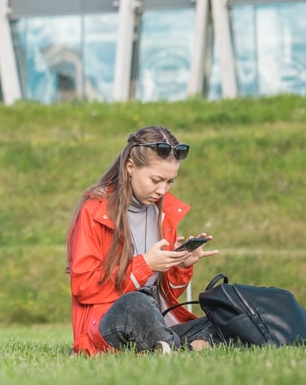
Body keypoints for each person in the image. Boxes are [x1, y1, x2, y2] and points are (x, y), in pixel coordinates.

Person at [67, 126, 219, 355]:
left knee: (226, 316)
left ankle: (169, 346)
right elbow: (83, 287)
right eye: (156, 180)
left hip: (157, 320)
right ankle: (184, 348)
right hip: (109, 324)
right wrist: (144, 265)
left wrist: (180, 265)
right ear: (130, 167)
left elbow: (165, 295)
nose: (162, 190)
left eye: (169, 182)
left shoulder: (163, 213)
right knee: (136, 304)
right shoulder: (94, 210)